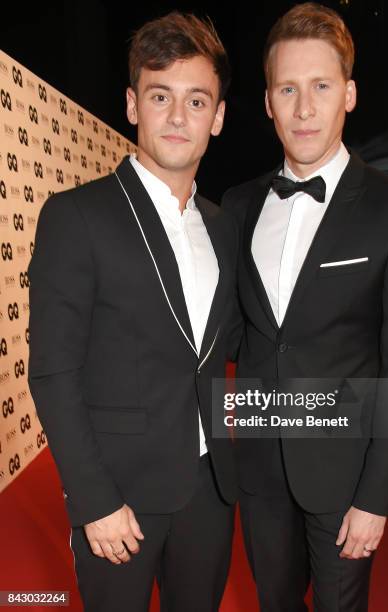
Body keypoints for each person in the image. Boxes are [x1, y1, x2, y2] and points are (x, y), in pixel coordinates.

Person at [222, 3, 388, 610]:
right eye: (287, 88)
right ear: (267, 101)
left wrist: (378, 495)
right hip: (261, 472)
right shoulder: (237, 207)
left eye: (320, 86)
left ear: (349, 93)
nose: (304, 107)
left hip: (346, 477)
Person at [28, 12, 239, 612]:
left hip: (211, 489)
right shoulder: (77, 217)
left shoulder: (222, 227)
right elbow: (53, 371)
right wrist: (93, 500)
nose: (178, 117)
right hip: (118, 497)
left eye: (197, 100)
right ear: (132, 104)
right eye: (160, 96)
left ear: (218, 117)